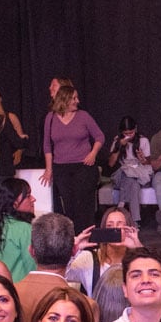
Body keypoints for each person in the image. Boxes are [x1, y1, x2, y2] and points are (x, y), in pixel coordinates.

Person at [42, 79, 104, 225]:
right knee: (69, 206)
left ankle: (88, 239)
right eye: (74, 98)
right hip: (61, 168)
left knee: (84, 205)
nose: (78, 101)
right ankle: (73, 240)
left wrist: (93, 153)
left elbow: (100, 136)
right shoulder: (50, 118)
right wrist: (49, 169)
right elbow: (47, 146)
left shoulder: (83, 116)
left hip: (83, 166)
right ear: (65, 100)